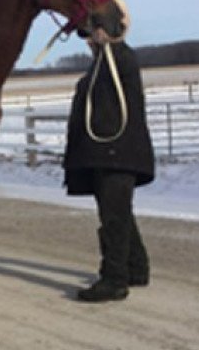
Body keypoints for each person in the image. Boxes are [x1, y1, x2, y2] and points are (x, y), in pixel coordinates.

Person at [63, 37, 155, 302]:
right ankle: (136, 267)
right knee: (118, 210)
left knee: (114, 215)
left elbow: (118, 48)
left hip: (116, 151)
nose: (89, 40)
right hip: (104, 153)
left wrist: (110, 38)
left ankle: (114, 279)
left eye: (92, 34)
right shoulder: (99, 66)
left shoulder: (119, 60)